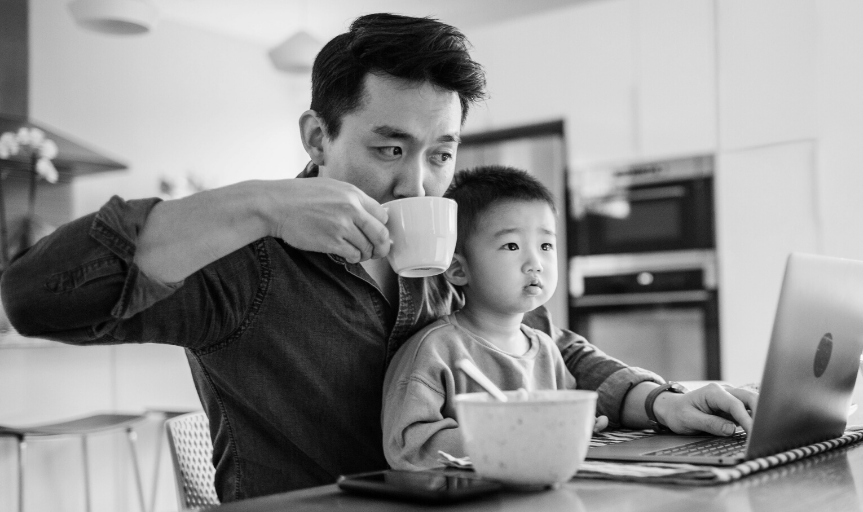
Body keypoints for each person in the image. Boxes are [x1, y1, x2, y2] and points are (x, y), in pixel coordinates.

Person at [0, 13, 756, 502]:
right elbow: (33, 297)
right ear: (317, 137)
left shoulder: (447, 248)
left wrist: (661, 400)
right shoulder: (245, 260)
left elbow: (544, 341)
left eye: (441, 153)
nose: (415, 182)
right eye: (389, 147)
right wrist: (261, 203)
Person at [382, 166, 587, 470]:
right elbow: (409, 448)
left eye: (546, 246)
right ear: (458, 270)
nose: (536, 263)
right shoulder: (435, 351)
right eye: (512, 246)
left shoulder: (546, 349)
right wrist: (509, 436)